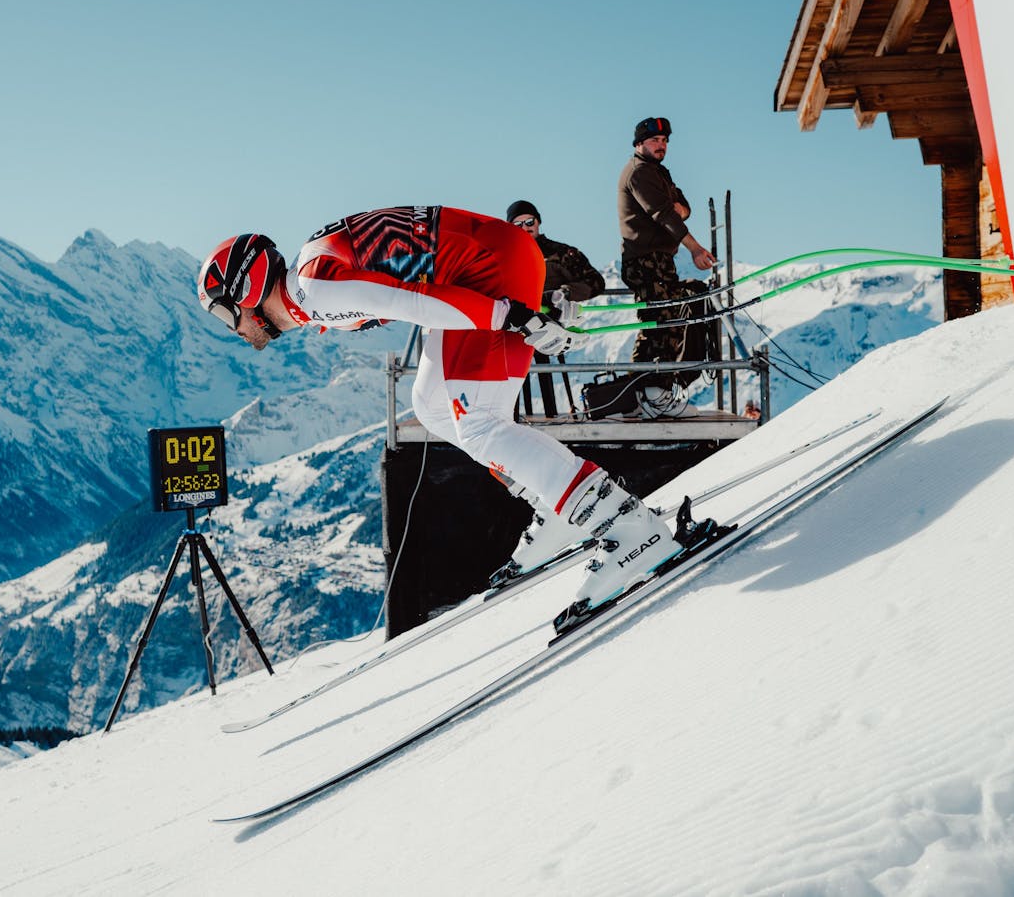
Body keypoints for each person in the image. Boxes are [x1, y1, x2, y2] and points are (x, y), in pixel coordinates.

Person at [197, 207, 718, 607]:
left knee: (483, 424)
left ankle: (628, 529)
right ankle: (558, 509)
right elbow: (422, 279)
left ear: (245, 290)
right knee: (432, 406)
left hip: (491, 271)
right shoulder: (312, 283)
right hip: (489, 265)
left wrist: (512, 314)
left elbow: (414, 302)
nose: (233, 331)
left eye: (226, 316)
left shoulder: (316, 290)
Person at [618, 116, 721, 412]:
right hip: (645, 260)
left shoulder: (658, 172)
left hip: (660, 261)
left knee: (667, 322)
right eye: (655, 141)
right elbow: (666, 214)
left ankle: (649, 395)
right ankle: (647, 396)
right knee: (660, 325)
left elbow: (683, 206)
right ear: (639, 144)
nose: (661, 145)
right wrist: (695, 248)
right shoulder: (639, 173)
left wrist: (678, 210)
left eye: (664, 141)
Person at [506, 200, 605, 417]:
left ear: (538, 221)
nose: (525, 227)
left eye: (529, 221)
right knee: (509, 380)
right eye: (517, 224)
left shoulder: (561, 253)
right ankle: (507, 423)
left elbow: (596, 282)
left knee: (547, 374)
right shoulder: (504, 256)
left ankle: (554, 418)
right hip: (514, 327)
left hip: (550, 325)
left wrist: (566, 293)